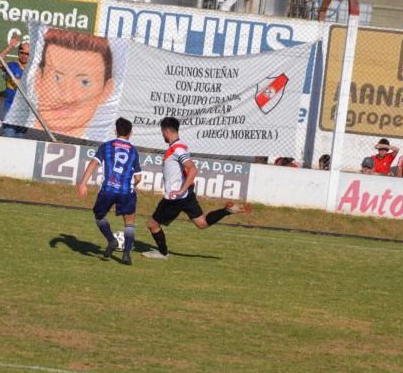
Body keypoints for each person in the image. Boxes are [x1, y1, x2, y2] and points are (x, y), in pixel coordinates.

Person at [142, 117, 251, 260]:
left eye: (162, 132)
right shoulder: (178, 147)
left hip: (175, 198)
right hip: (186, 196)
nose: (162, 135)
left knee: (152, 224)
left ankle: (163, 253)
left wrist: (181, 189)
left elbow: (192, 169)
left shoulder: (177, 149)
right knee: (202, 223)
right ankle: (226, 211)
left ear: (166, 131)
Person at [77, 117, 142, 265]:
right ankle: (126, 255)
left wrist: (83, 183)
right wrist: (130, 185)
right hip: (127, 192)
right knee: (129, 222)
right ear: (130, 133)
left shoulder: (106, 146)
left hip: (108, 190)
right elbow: (138, 177)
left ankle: (111, 240)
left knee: (99, 216)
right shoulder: (133, 151)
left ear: (115, 131)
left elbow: (94, 163)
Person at [33, 28, 115, 139]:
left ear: (106, 91)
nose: (67, 98)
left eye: (84, 82)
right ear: (38, 79)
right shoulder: (19, 133)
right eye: (56, 78)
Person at [0, 33, 30, 138]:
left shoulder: (33, 70)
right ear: (18, 52)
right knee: (9, 139)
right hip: (10, 110)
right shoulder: (12, 65)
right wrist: (10, 47)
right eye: (22, 52)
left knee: (20, 140)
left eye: (27, 54)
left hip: (25, 112)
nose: (24, 55)